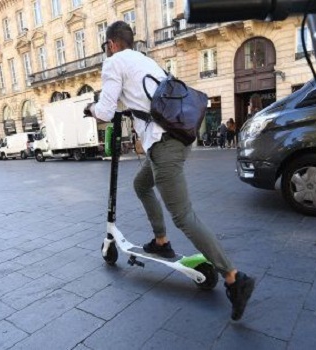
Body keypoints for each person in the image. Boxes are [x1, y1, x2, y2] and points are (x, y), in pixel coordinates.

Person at [85, 21, 255, 321]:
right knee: (141, 185)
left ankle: (233, 277)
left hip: (164, 146)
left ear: (111, 44)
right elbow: (140, 102)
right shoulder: (144, 61)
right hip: (173, 139)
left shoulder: (113, 63)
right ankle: (161, 241)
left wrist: (90, 108)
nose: (106, 52)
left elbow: (105, 110)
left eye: (106, 47)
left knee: (184, 216)